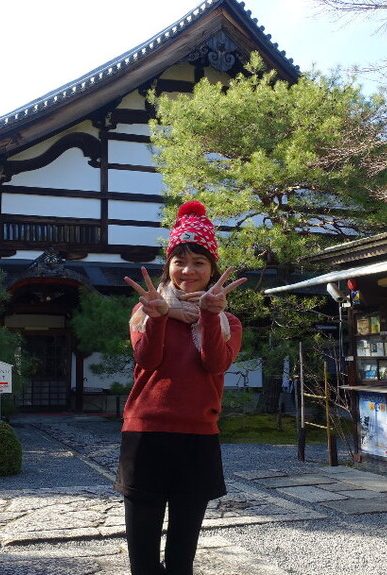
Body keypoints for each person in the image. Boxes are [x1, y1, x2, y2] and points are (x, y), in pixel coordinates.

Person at [115, 200, 246, 575]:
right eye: (180, 261)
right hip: (146, 432)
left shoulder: (227, 322)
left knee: (181, 555)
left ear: (212, 270)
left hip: (197, 434)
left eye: (199, 263)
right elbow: (147, 361)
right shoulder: (146, 310)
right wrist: (158, 318)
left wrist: (208, 314)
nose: (188, 270)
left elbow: (215, 364)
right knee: (142, 555)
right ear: (168, 266)